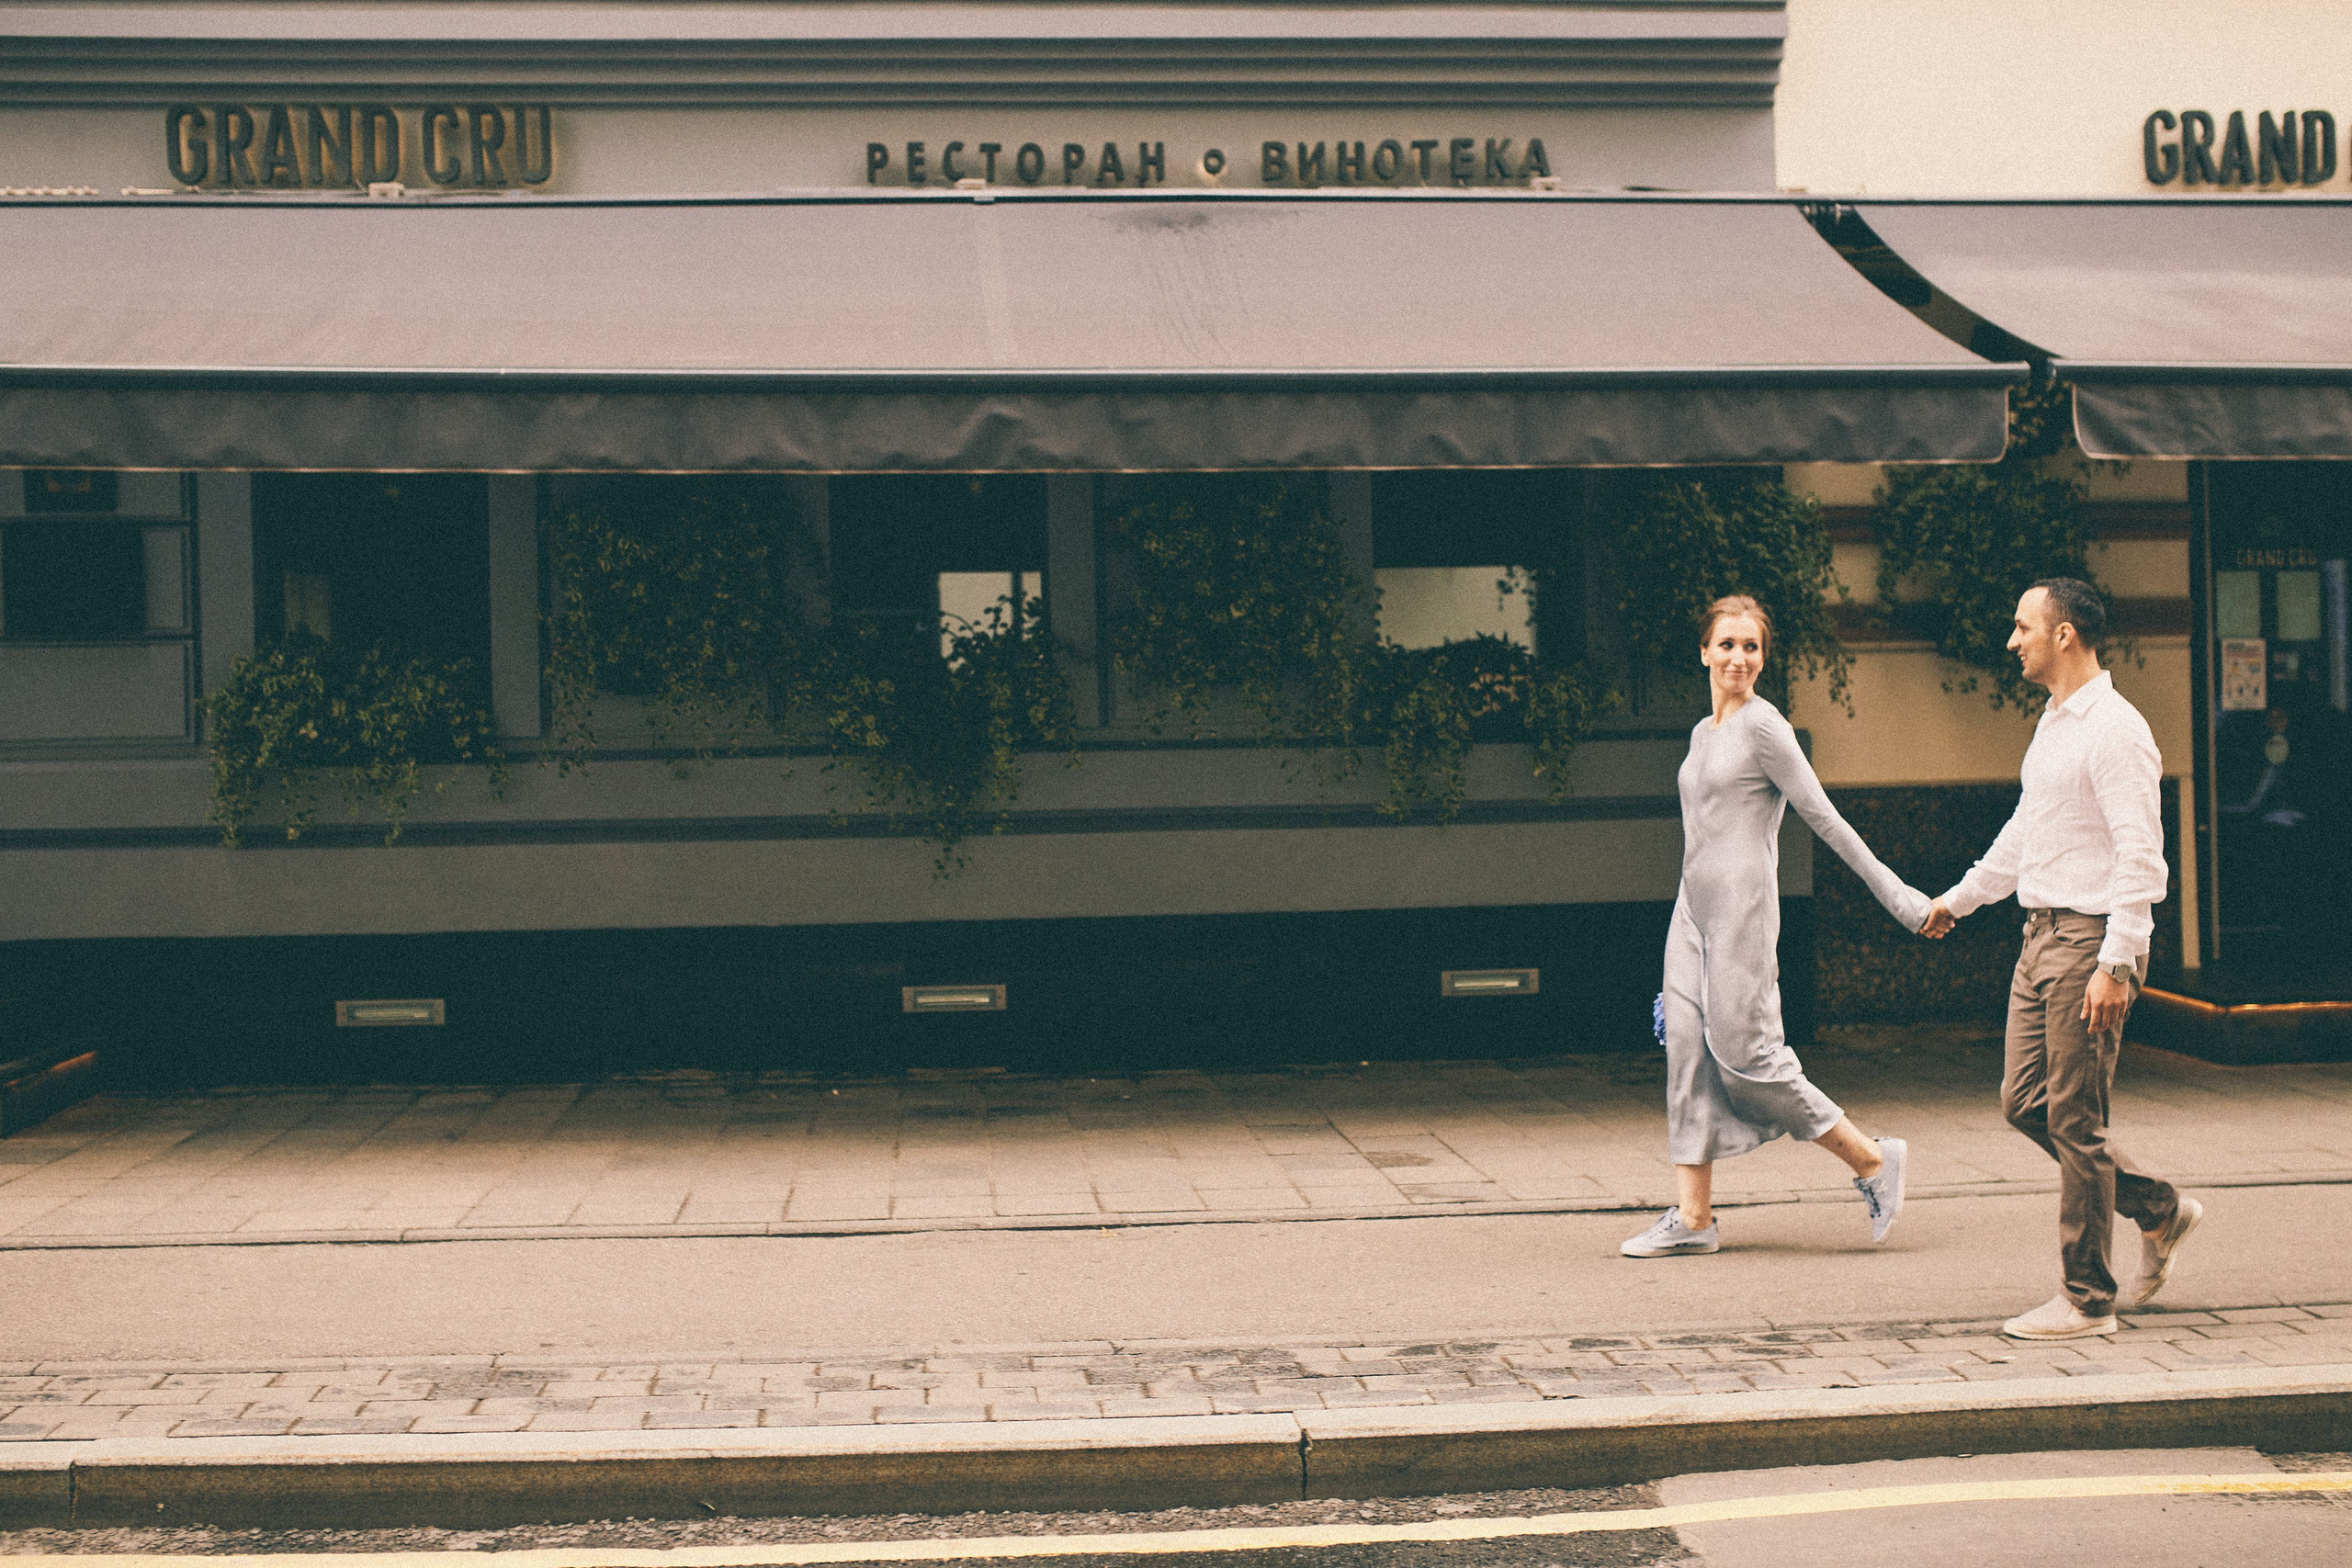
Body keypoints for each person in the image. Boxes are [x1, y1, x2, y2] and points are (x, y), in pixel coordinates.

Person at [1920, 578, 2198, 1341]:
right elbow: (2025, 831)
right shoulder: (2053, 723)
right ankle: (2157, 1207)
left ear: (2066, 634)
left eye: (2023, 627)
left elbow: (2143, 853)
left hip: (2087, 940)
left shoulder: (2116, 728)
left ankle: (2086, 1300)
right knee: (2023, 1101)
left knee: (2076, 1117)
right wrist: (1960, 898)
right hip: (2037, 935)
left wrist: (2119, 960)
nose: (2014, 641)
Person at [1623, 595, 1931, 1259]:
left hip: (1742, 914)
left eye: (1751, 646)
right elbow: (1701, 834)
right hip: (1691, 913)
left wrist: (1901, 899)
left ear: (1764, 657)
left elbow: (1827, 820)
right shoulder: (1703, 733)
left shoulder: (1766, 727)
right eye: (1726, 644)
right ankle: (1694, 1216)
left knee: (1747, 1057)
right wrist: (1686, 931)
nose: (1738, 657)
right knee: (1684, 1046)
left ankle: (1873, 1158)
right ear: (1703, 651)